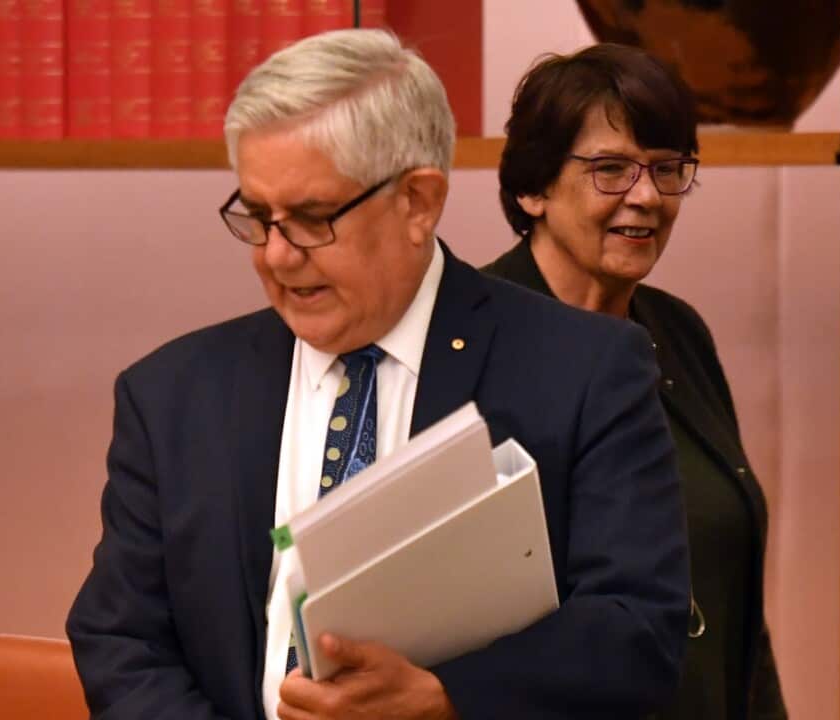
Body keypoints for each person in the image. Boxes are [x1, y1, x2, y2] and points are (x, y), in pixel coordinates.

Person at [67, 29, 689, 720]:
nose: (276, 255)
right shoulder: (173, 396)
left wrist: (448, 699)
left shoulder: (584, 370)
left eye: (309, 218)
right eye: (258, 215)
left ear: (418, 202)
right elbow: (119, 639)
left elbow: (638, 630)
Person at [483, 44, 788, 720]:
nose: (646, 196)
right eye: (611, 169)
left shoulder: (678, 333)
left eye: (666, 168)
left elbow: (736, 607)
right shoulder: (472, 348)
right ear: (533, 187)